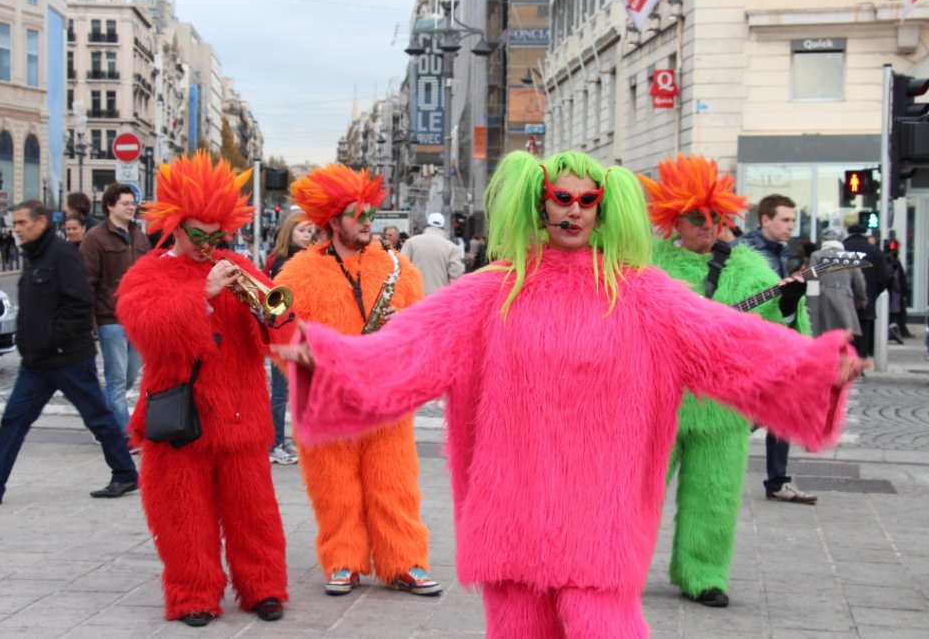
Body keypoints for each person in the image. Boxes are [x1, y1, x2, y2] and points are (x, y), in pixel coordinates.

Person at [276, 150, 866, 638]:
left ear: (604, 210)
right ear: (540, 204)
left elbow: (728, 345)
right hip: (511, 508)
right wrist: (327, 363)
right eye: (563, 198)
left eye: (588, 201)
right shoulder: (490, 293)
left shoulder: (643, 294)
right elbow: (409, 350)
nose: (575, 211)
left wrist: (815, 370)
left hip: (600, 513)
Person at [116, 152, 290, 627]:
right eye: (201, 235)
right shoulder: (146, 274)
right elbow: (147, 331)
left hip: (242, 417)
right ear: (175, 226)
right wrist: (203, 295)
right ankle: (193, 593)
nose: (211, 245)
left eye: (218, 236)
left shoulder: (238, 265)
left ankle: (264, 588)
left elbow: (284, 328)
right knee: (184, 516)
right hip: (183, 421)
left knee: (255, 513)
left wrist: (266, 313)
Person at [640, 154, 805, 609]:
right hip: (657, 403)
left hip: (723, 407)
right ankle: (621, 566)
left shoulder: (750, 271)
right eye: (696, 218)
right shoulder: (645, 266)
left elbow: (786, 339)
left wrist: (790, 307)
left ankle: (704, 573)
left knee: (716, 494)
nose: (707, 227)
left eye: (715, 217)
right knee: (637, 493)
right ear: (674, 220)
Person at [275, 163, 441, 598]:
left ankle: (404, 562)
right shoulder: (296, 273)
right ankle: (343, 560)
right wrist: (300, 356)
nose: (368, 221)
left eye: (371, 212)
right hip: (327, 397)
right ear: (332, 221)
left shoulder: (399, 269)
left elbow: (422, 329)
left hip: (385, 396)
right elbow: (275, 329)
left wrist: (401, 321)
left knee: (395, 484)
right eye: (357, 214)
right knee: (335, 488)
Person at [0, 200, 138, 506]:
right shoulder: (34, 257)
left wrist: (54, 340)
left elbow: (79, 303)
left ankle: (125, 473)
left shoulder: (61, 255)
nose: (17, 229)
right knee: (14, 420)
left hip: (69, 359)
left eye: (23, 223)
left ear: (41, 222)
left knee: (98, 417)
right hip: (37, 363)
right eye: (16, 223)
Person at [735, 195, 818, 505]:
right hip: (750, 349)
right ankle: (710, 442)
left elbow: (781, 309)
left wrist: (790, 302)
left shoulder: (781, 253)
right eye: (784, 220)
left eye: (793, 221)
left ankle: (777, 480)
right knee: (753, 414)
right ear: (765, 219)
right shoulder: (745, 253)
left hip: (774, 346)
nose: (790, 226)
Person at [80, 183, 151, 438]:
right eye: (125, 203)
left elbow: (149, 275)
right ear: (110, 205)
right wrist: (88, 322)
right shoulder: (95, 238)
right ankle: (124, 435)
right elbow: (85, 281)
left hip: (137, 318)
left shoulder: (139, 236)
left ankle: (103, 417)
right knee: (117, 381)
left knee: (129, 376)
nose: (131, 208)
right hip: (110, 318)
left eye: (133, 203)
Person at [266, 211, 314, 465]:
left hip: (300, 331)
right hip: (285, 332)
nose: (307, 236)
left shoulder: (304, 258)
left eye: (309, 232)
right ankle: (275, 443)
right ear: (289, 232)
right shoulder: (283, 261)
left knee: (297, 389)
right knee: (282, 392)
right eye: (302, 231)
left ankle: (291, 439)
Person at [842, 224, 892, 358]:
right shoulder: (874, 250)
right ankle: (859, 363)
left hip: (842, 299)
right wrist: (874, 292)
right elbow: (885, 276)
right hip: (866, 300)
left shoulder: (842, 248)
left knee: (843, 332)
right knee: (863, 333)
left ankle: (845, 363)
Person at [809, 228, 866, 339]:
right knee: (845, 335)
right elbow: (859, 281)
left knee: (825, 333)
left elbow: (812, 280)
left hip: (823, 297)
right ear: (840, 240)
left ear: (823, 240)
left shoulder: (816, 255)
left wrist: (811, 303)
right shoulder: (850, 256)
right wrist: (862, 298)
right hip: (845, 297)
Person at [400, 212, 464, 296]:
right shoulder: (452, 247)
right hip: (439, 297)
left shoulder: (411, 243)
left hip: (414, 295)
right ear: (443, 227)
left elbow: (401, 267)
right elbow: (456, 275)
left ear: (427, 224)